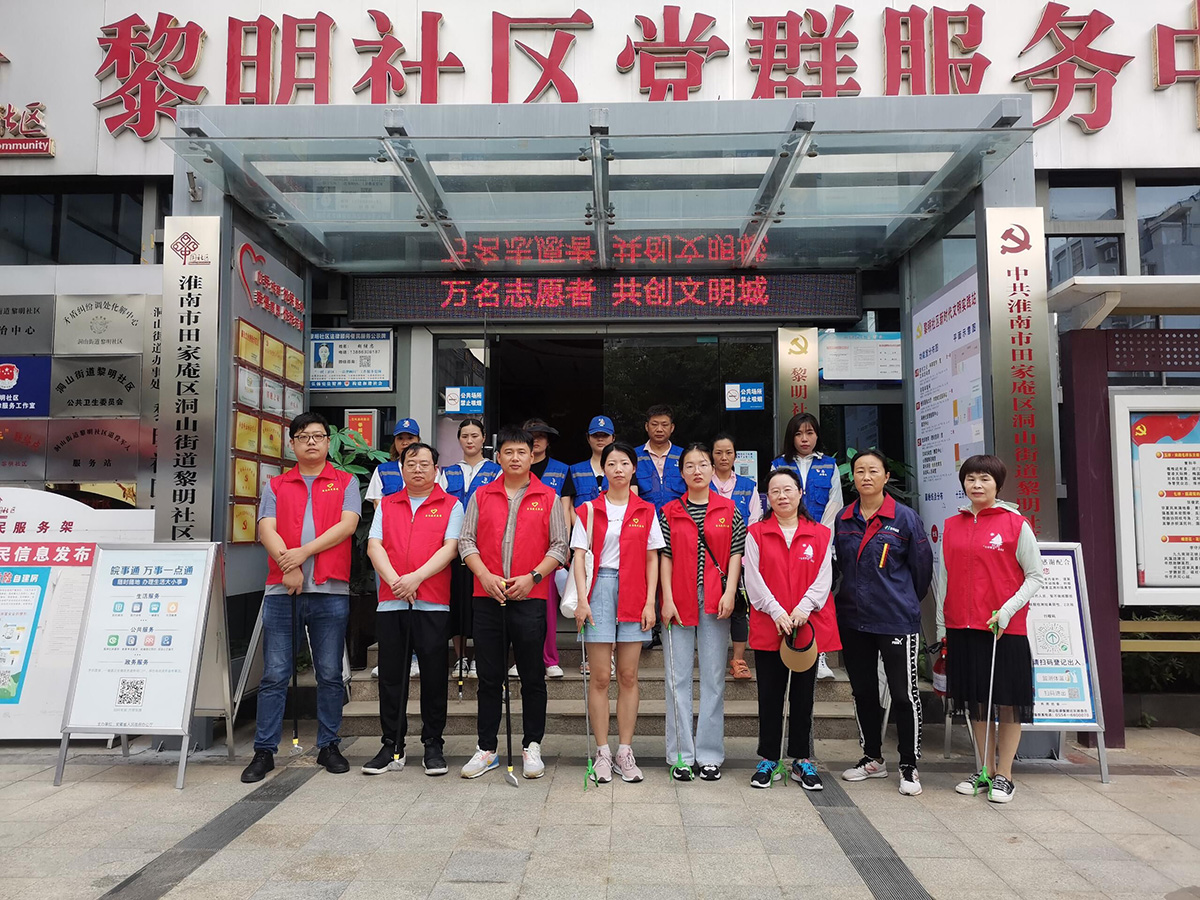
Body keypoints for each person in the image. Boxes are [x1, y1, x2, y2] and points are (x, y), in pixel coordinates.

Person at [242, 412, 360, 783]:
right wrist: (287, 566)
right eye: (304, 436)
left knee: (329, 673)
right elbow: (266, 528)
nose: (312, 442)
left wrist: (302, 554)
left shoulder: (345, 481)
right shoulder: (277, 485)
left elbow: (347, 525)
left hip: (330, 590)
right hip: (282, 590)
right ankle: (264, 750)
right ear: (292, 443)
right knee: (275, 674)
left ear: (328, 442)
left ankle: (329, 745)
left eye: (318, 436)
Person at [457, 426, 569, 780]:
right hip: (487, 597)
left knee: (532, 676)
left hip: (530, 597)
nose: (516, 458)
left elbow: (560, 546)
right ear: (499, 457)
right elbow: (466, 541)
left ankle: (532, 745)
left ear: (532, 456)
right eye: (509, 452)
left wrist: (533, 577)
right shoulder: (482, 495)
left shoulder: (548, 496)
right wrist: (484, 576)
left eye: (522, 452)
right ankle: (486, 748)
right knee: (489, 677)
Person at [936, 454, 1043, 804]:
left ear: (998, 484)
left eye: (984, 479)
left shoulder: (1015, 524)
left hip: (1003, 629)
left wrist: (1008, 610)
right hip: (962, 626)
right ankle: (983, 769)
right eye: (970, 479)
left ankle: (1005, 775)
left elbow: (1035, 576)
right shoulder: (952, 524)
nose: (977, 485)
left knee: (1008, 703)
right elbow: (945, 576)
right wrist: (942, 623)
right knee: (978, 702)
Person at [834, 449, 933, 796]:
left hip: (895, 619)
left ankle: (909, 764)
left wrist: (900, 599)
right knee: (863, 691)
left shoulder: (904, 518)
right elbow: (840, 566)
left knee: (904, 694)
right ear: (853, 478)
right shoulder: (844, 518)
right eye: (859, 471)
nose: (866, 477)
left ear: (886, 477)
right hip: (854, 618)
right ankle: (872, 758)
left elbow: (921, 571)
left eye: (873, 471)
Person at [364, 442, 462, 777]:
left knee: (434, 676)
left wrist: (416, 578)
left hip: (432, 602)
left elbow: (450, 548)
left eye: (424, 464)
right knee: (392, 678)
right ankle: (392, 744)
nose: (417, 469)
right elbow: (374, 546)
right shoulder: (387, 504)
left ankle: (433, 744)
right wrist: (396, 581)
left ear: (437, 470)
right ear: (402, 468)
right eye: (411, 463)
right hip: (391, 601)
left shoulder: (451, 505)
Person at [571, 441, 662, 784]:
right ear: (603, 469)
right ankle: (602, 752)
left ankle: (625, 750)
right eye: (612, 464)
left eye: (624, 463)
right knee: (599, 677)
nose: (618, 469)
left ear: (634, 468)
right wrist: (582, 600)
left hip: (635, 589)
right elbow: (579, 556)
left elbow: (653, 558)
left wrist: (650, 601)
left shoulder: (646, 510)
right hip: (599, 588)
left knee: (628, 675)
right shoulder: (588, 509)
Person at [659, 443, 744, 782]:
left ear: (713, 469)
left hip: (715, 599)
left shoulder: (729, 509)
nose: (697, 470)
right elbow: (664, 556)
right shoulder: (668, 511)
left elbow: (736, 553)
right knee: (676, 679)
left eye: (703, 464)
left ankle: (709, 754)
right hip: (678, 599)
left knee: (713, 679)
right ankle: (680, 755)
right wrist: (666, 599)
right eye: (690, 465)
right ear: (681, 472)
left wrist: (730, 592)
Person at [744, 468, 833, 790]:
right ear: (767, 498)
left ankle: (801, 759)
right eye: (775, 491)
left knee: (803, 696)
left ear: (800, 493)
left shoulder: (820, 534)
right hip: (771, 624)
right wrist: (777, 611)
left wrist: (804, 608)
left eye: (788, 489)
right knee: (769, 695)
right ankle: (769, 758)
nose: (782, 496)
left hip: (806, 627)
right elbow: (753, 578)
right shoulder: (756, 533)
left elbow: (824, 577)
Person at [771, 412, 844, 680]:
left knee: (818, 599)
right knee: (788, 597)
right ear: (791, 437)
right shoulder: (779, 464)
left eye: (810, 433)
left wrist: (822, 539)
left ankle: (819, 655)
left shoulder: (829, 465)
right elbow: (775, 502)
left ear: (817, 435)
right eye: (799, 433)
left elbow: (835, 505)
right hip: (787, 543)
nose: (804, 439)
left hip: (819, 543)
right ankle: (788, 651)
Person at [439, 418, 501, 678]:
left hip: (484, 548)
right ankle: (460, 657)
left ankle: (478, 658)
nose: (470, 440)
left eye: (475, 435)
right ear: (459, 440)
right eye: (465, 436)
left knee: (480, 604)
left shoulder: (496, 472)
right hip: (453, 547)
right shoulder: (448, 472)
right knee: (457, 602)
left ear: (484, 438)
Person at [366, 417, 423, 678]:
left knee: (418, 605)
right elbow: (379, 506)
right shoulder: (383, 470)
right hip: (388, 549)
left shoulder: (429, 469)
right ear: (395, 442)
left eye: (410, 438)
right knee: (389, 604)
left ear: (418, 441)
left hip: (419, 548)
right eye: (401, 438)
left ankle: (415, 657)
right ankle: (391, 657)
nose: (405, 442)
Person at [711, 433, 763, 681]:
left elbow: (754, 524)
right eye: (718, 452)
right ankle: (712, 658)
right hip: (708, 559)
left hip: (739, 558)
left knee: (739, 608)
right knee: (709, 608)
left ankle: (738, 660)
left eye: (728, 452)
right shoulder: (702, 483)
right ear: (711, 455)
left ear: (735, 455)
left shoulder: (748, 486)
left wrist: (745, 557)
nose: (723, 457)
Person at [524, 417, 571, 679]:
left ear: (548, 440)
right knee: (521, 606)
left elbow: (565, 509)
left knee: (549, 607)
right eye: (531, 436)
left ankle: (550, 659)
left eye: (541, 436)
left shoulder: (562, 470)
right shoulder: (514, 468)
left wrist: (564, 545)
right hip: (521, 546)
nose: (536, 440)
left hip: (551, 549)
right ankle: (522, 659)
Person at [569, 415, 640, 507]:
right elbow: (569, 507)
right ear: (588, 438)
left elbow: (633, 502)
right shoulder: (574, 471)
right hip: (582, 516)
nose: (600, 439)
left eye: (605, 435)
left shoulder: (625, 469)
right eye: (595, 435)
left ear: (613, 437)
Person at [636, 404, 686, 511]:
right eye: (654, 424)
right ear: (646, 426)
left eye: (664, 425)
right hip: (644, 516)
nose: (659, 429)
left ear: (672, 427)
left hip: (678, 515)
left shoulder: (684, 455)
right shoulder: (634, 456)